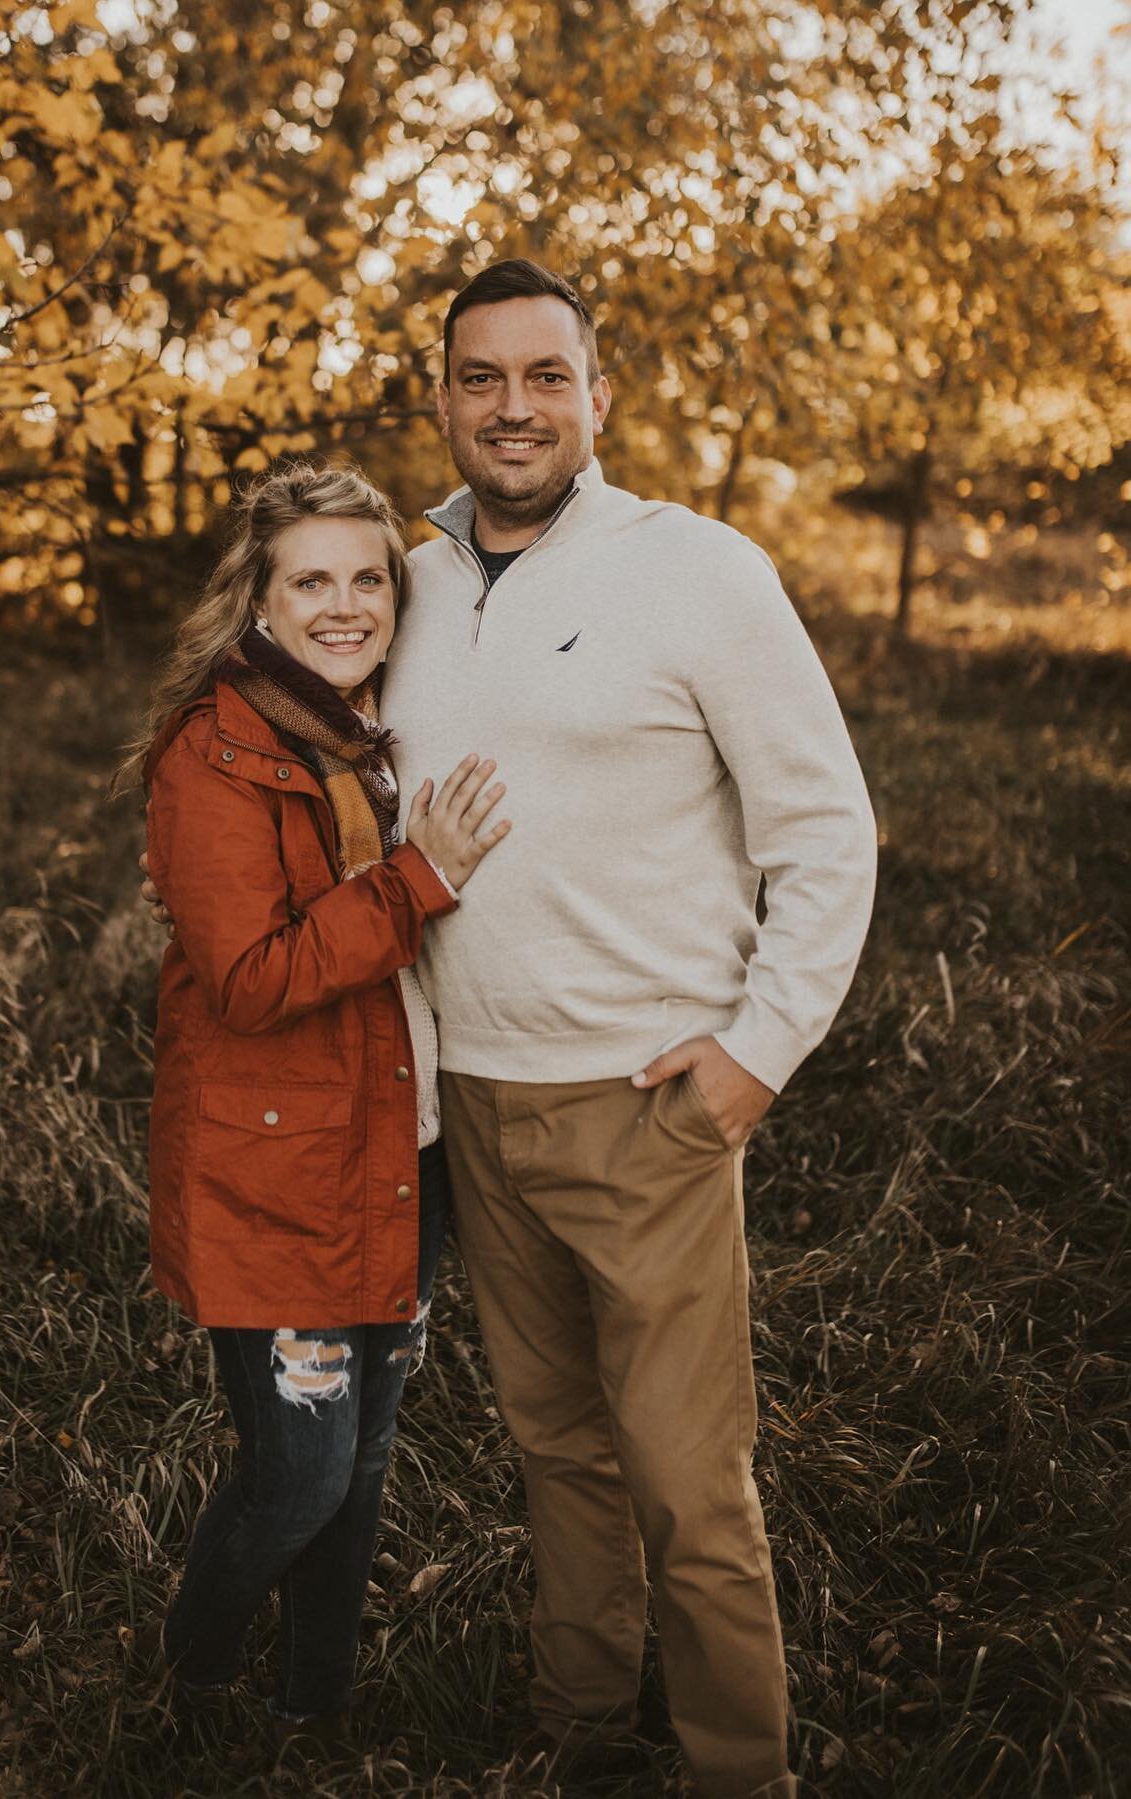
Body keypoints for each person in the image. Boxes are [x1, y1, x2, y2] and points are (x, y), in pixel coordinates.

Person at [140, 262, 877, 1798]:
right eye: (482, 379)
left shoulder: (700, 571)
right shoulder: (401, 584)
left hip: (649, 1102)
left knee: (690, 1484)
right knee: (557, 1456)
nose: (514, 408)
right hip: (458, 1111)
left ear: (599, 398)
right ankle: (583, 1728)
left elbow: (827, 831)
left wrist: (757, 1055)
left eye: (547, 377)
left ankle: (744, 1769)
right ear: (445, 398)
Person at [118, 463, 510, 1754]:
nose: (343, 605)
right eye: (311, 580)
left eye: (366, 577)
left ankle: (315, 1705)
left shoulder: (371, 732)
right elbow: (248, 977)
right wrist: (419, 879)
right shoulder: (217, 754)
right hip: (275, 1173)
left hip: (405, 1150)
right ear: (261, 599)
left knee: (368, 1455)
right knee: (298, 1475)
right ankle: (193, 1677)